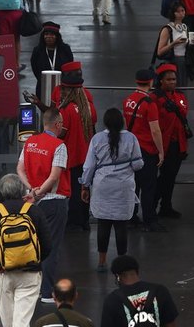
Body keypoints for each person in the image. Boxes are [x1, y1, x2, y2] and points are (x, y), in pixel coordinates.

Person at [0, 174, 52, 327]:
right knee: (21, 321)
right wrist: (36, 260)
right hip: (30, 273)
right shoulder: (33, 210)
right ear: (21, 190)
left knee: (7, 320)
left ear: (1, 191)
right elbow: (47, 243)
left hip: (4, 273)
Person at [16, 108, 69, 303]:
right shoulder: (59, 146)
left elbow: (20, 169)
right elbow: (54, 177)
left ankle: (33, 289)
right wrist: (39, 193)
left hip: (32, 203)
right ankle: (47, 292)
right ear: (57, 124)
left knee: (33, 245)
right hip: (53, 201)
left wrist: (31, 190)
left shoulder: (30, 142)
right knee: (50, 247)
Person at [81, 108, 144, 271]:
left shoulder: (97, 139)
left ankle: (102, 262)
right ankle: (122, 262)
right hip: (124, 187)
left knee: (103, 224)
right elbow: (138, 164)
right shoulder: (131, 138)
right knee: (121, 225)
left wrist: (85, 185)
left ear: (105, 123)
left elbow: (89, 166)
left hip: (102, 187)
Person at [122, 70, 166, 232]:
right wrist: (161, 151)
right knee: (148, 186)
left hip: (131, 149)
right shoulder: (149, 103)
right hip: (146, 149)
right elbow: (155, 130)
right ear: (151, 82)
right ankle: (149, 220)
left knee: (133, 185)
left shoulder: (128, 100)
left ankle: (131, 217)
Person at [58, 66, 95, 231]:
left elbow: (61, 133)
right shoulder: (86, 107)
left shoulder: (66, 109)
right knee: (84, 187)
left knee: (73, 189)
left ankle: (74, 222)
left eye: (63, 89)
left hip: (72, 155)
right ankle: (84, 220)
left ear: (68, 90)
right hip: (86, 155)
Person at [151, 64, 189, 219]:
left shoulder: (180, 96)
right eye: (169, 79)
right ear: (161, 80)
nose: (173, 82)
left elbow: (183, 113)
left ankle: (165, 206)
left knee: (170, 177)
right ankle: (153, 205)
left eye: (174, 79)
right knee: (165, 177)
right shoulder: (154, 98)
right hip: (162, 144)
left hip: (177, 143)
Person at [101, 255, 179, 327]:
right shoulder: (160, 291)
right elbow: (171, 324)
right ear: (137, 271)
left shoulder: (112, 300)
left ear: (117, 276)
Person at [30, 21, 74, 98]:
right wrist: (42, 80)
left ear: (57, 36)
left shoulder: (65, 49)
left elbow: (70, 66)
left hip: (62, 87)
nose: (49, 37)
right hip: (43, 86)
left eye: (52, 34)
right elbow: (34, 67)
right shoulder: (37, 51)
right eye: (46, 34)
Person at [154, 1, 190, 87]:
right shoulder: (167, 29)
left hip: (184, 61)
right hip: (172, 61)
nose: (181, 13)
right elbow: (159, 52)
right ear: (173, 13)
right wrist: (173, 43)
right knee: (173, 85)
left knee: (183, 85)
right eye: (178, 11)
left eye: (183, 10)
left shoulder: (185, 28)